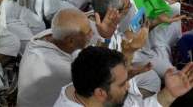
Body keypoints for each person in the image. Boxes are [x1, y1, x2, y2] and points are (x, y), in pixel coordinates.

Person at [54, 46, 193, 107]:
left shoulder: (84, 87)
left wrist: (169, 94)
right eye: (122, 84)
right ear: (100, 93)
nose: (129, 85)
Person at [17, 9, 93, 107]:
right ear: (70, 41)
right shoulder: (62, 69)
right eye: (89, 32)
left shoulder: (47, 35)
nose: (92, 34)